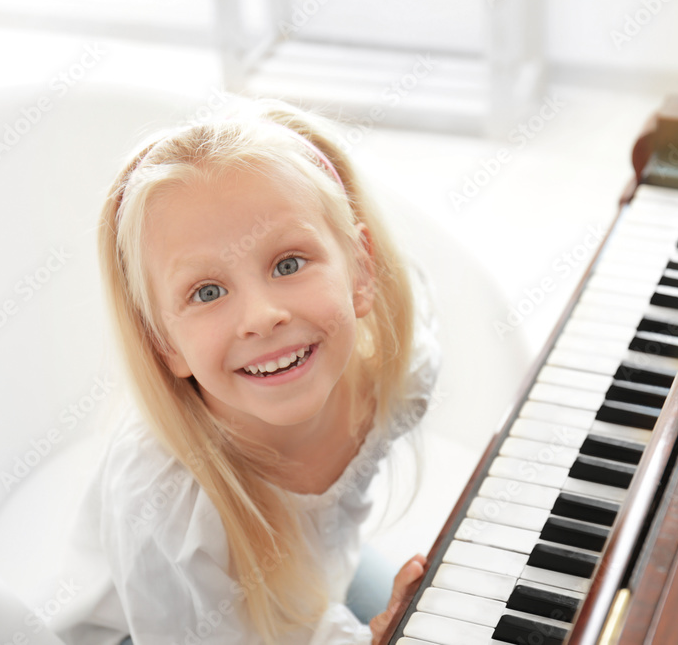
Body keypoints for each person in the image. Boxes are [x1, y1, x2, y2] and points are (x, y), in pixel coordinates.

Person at [48, 96, 441, 644]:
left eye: (288, 263)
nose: (261, 317)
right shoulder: (165, 506)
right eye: (207, 292)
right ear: (166, 345)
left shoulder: (401, 368)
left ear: (360, 269)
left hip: (305, 585)